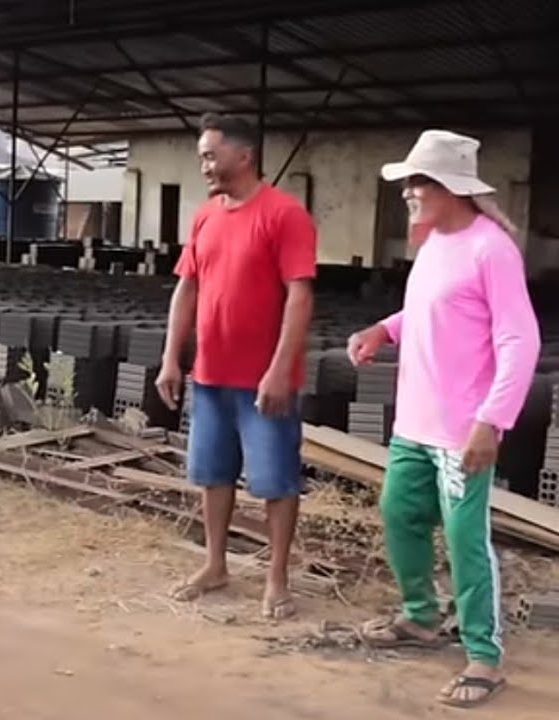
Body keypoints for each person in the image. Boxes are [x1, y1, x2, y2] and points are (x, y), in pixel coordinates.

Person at [347, 129, 539, 709]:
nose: (409, 191)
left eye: (419, 181)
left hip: (462, 432)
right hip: (415, 424)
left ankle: (484, 655)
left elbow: (520, 341)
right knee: (399, 514)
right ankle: (420, 616)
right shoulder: (433, 245)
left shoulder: (491, 249)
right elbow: (430, 308)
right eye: (408, 180)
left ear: (453, 187)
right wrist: (384, 328)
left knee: (464, 539)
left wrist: (492, 420)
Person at [155, 113, 316, 621]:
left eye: (210, 154)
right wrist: (171, 358)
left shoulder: (285, 215)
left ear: (243, 157)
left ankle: (277, 579)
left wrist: (278, 369)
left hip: (264, 381)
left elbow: (300, 297)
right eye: (202, 154)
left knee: (275, 481)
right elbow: (187, 288)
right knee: (212, 474)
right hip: (211, 374)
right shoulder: (205, 215)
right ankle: (215, 564)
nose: (203, 163)